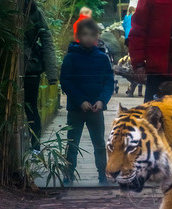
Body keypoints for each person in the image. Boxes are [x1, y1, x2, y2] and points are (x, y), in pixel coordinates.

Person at [60, 19, 114, 185]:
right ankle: (68, 175)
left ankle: (102, 175)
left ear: (97, 36)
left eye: (92, 35)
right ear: (78, 36)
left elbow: (109, 82)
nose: (88, 38)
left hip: (96, 110)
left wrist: (102, 101)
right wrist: (80, 101)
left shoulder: (102, 58)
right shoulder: (70, 58)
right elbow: (66, 82)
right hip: (76, 110)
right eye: (85, 34)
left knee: (99, 144)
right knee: (72, 144)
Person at [23, 0, 57, 151]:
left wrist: (52, 75)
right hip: (3, 65)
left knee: (30, 108)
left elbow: (47, 40)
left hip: (30, 67)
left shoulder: (34, 11)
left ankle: (35, 147)